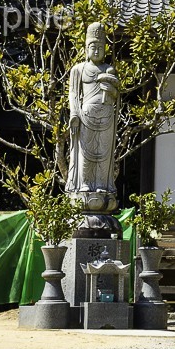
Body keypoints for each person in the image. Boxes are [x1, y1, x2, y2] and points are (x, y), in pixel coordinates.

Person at [68, 22, 120, 211]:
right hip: (85, 116)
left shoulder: (109, 70)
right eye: (93, 47)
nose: (97, 51)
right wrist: (74, 113)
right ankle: (85, 184)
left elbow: (116, 96)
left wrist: (112, 91)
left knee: (104, 154)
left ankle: (101, 185)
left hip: (106, 116)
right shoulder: (78, 70)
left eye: (100, 47)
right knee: (86, 152)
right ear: (86, 48)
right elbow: (73, 94)